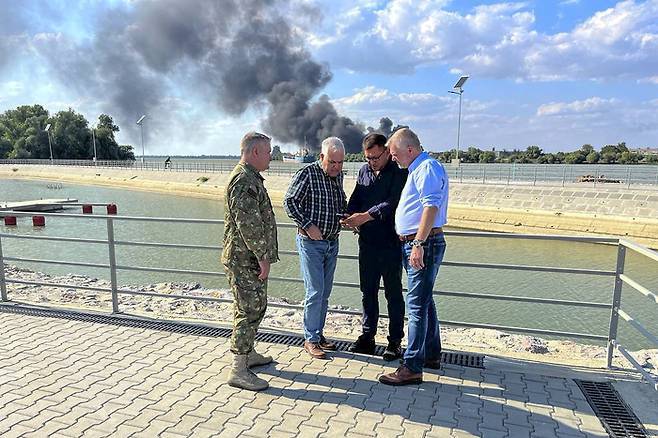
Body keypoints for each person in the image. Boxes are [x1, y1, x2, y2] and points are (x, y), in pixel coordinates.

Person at [378, 128, 449, 386]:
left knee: (416, 306)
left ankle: (412, 367)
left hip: (423, 244)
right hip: (418, 243)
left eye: (395, 153)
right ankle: (430, 354)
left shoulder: (427, 168)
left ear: (410, 150)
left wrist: (418, 242)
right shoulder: (417, 169)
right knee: (425, 301)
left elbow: (431, 207)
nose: (393, 158)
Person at [341, 133, 407, 361]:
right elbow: (357, 196)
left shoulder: (399, 173)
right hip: (367, 243)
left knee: (393, 294)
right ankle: (367, 337)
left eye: (375, 157)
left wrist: (365, 217)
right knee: (367, 292)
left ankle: (395, 342)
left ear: (387, 151)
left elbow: (391, 203)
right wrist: (349, 215)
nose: (372, 162)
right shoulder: (363, 171)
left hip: (390, 243)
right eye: (368, 158)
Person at [221, 132, 279, 391]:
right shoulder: (244, 180)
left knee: (254, 306)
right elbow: (250, 227)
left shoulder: (250, 177)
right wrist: (263, 258)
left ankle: (248, 353)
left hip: (249, 259)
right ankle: (239, 369)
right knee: (248, 310)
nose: (270, 156)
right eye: (268, 152)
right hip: (245, 260)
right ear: (255, 152)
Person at [283, 137, 347, 359]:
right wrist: (308, 226)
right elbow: (289, 202)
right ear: (322, 157)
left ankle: (318, 335)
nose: (336, 167)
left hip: (332, 242)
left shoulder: (338, 177)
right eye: (332, 162)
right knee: (315, 292)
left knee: (325, 293)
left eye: (340, 163)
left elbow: (340, 201)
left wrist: (348, 216)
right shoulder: (307, 174)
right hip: (311, 243)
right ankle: (310, 339)